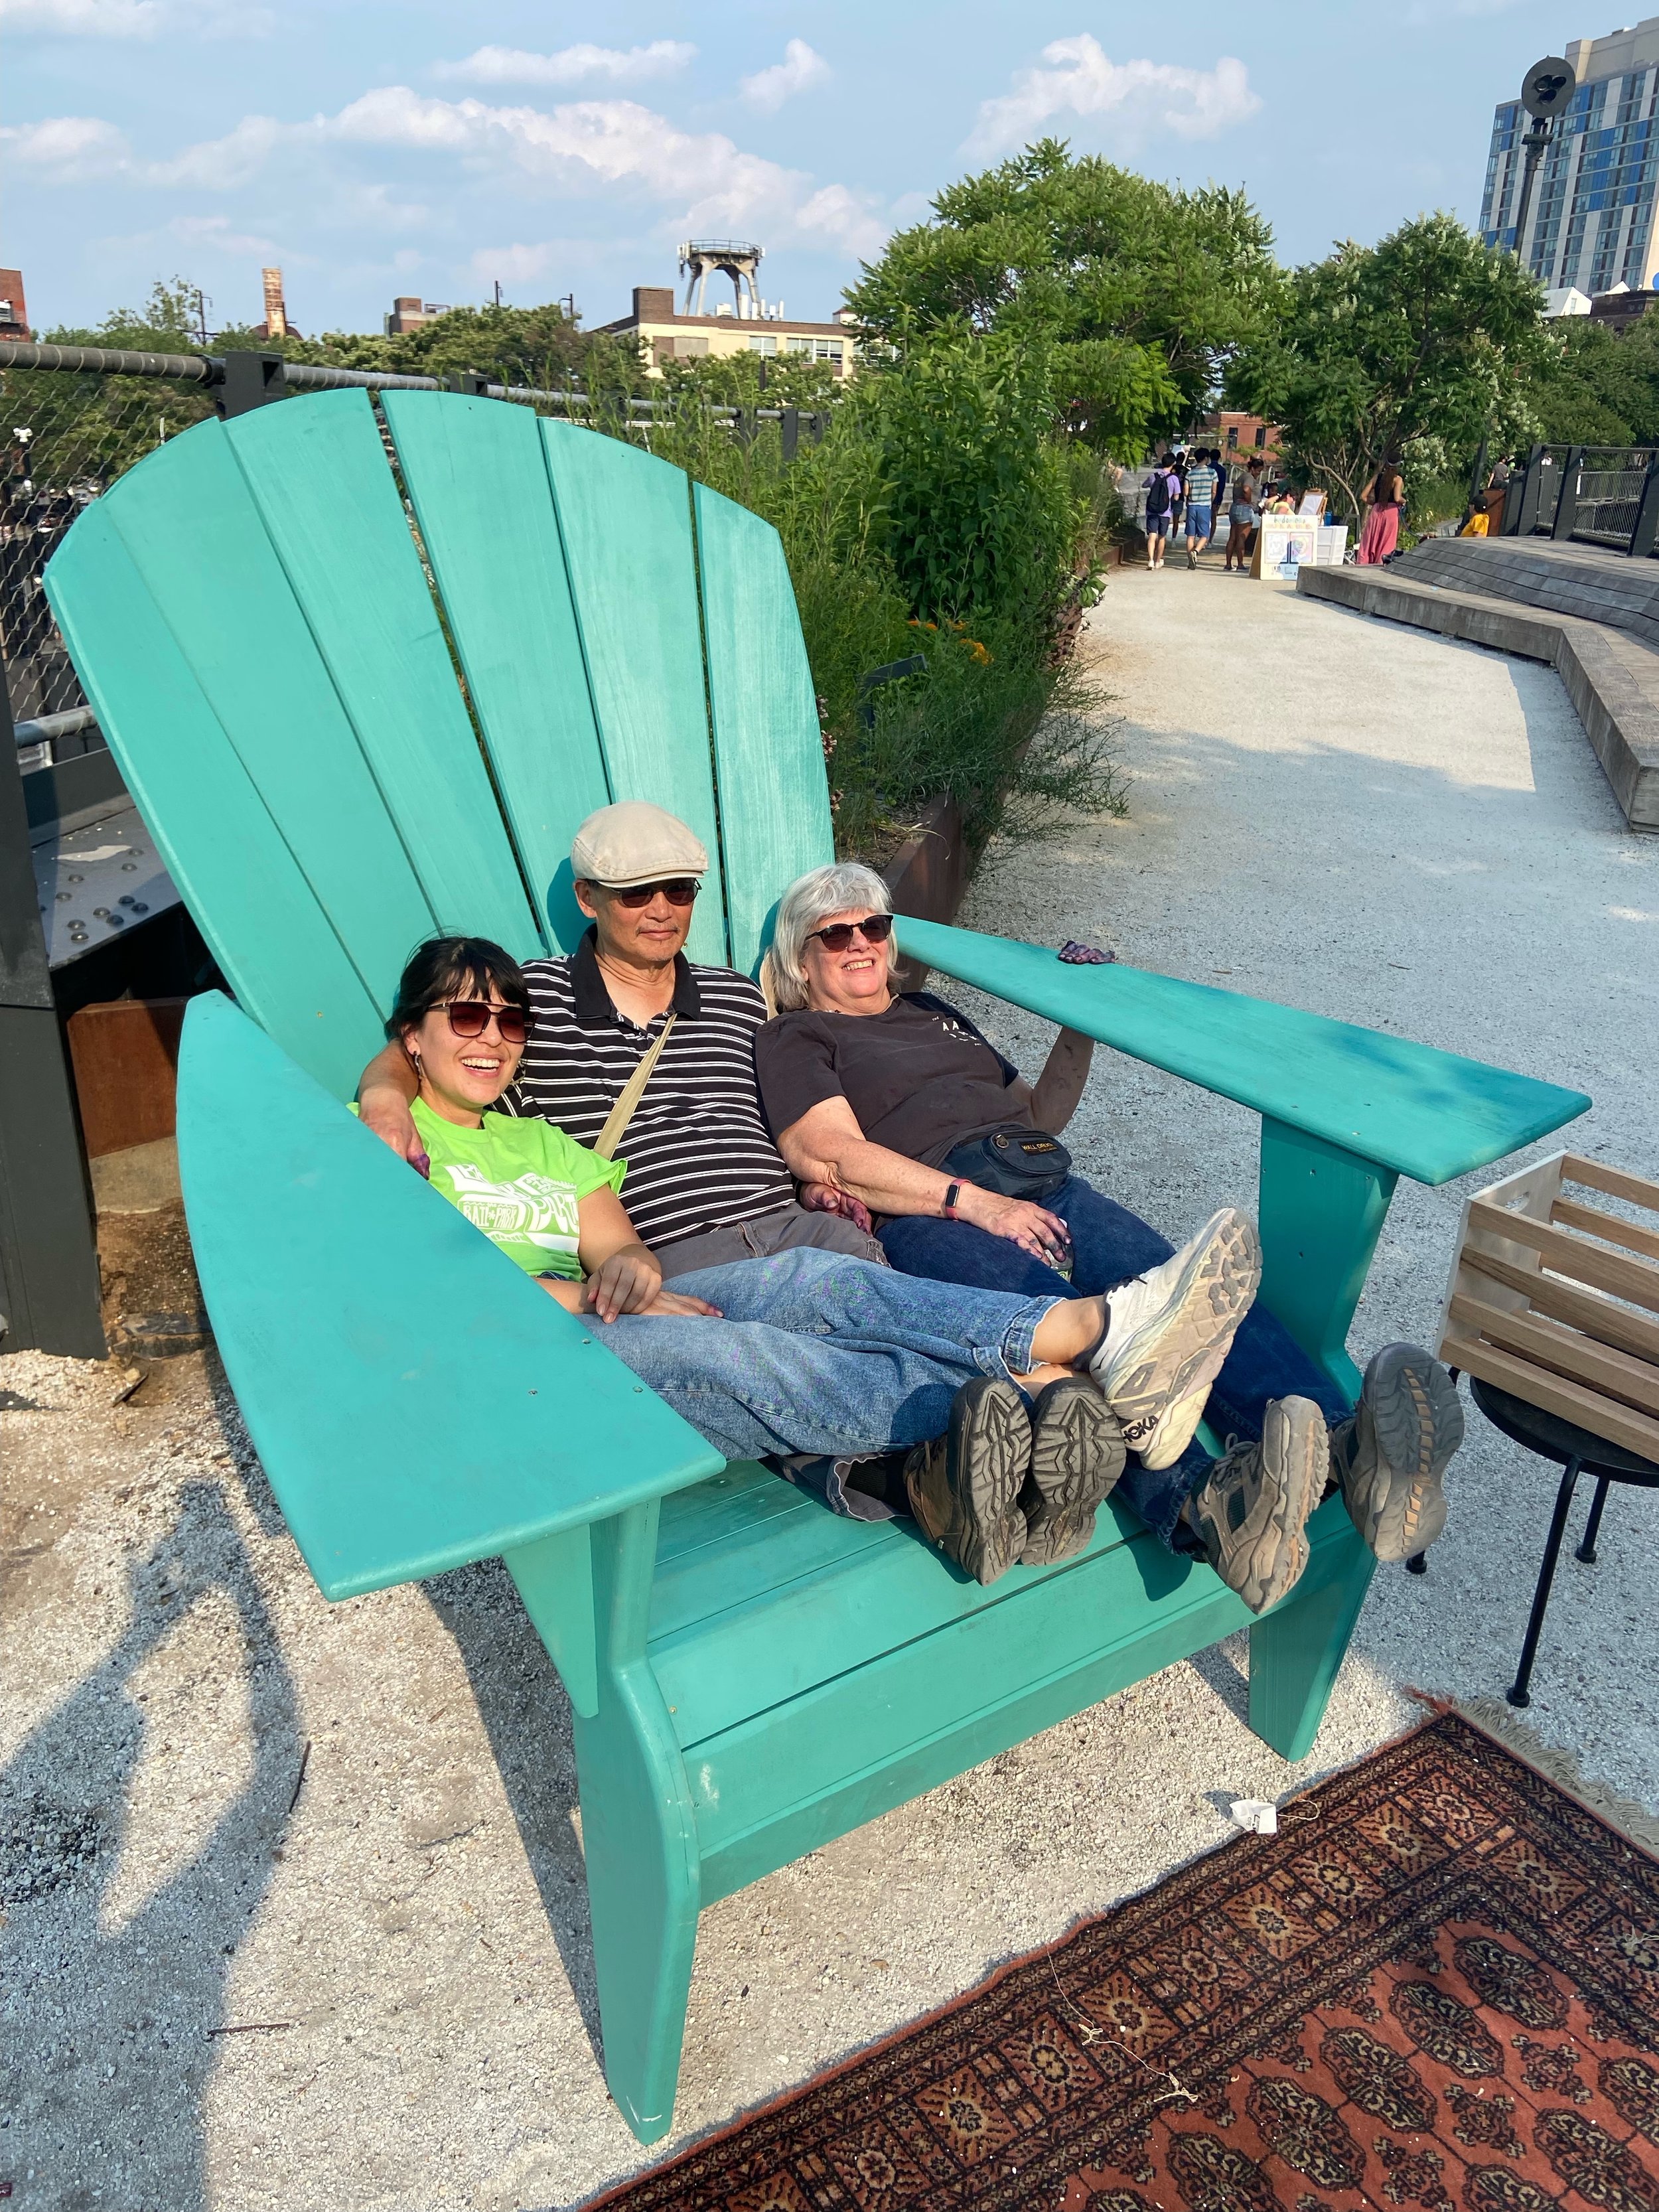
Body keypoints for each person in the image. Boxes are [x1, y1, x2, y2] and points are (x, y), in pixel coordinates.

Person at [364, 932, 1263, 1585]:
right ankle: (1067, 1397)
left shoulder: (546, 1146)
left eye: (510, 1020)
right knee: (735, 1354)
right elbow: (428, 1296)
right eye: (468, 1016)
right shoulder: (383, 1146)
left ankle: (1088, 1330)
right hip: (528, 1371)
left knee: (817, 1280)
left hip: (613, 1316)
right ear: (412, 1035)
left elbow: (620, 1247)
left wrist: (629, 1277)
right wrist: (383, 1095)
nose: (494, 1036)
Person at [754, 863, 1465, 1615]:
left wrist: (1077, 1019)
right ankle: (1207, 1507)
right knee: (1070, 1333)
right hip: (933, 1214)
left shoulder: (931, 1010)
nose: (862, 943)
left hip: (1037, 1180)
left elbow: (1039, 1112)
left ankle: (1354, 1449)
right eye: (837, 934)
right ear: (804, 958)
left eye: (875, 925)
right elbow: (828, 1153)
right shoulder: (798, 1035)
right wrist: (976, 1206)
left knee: (1188, 1300)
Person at [1357, 463, 1404, 565]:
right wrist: (1404, 501)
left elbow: (1363, 496)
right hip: (1391, 513)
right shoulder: (1398, 480)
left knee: (1370, 539)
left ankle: (1364, 561)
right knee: (1387, 540)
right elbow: (1397, 498)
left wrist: (1376, 503)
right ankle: (1382, 561)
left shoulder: (1376, 478)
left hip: (1376, 511)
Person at [1183, 449, 1218, 569]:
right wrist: (1210, 501)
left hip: (1192, 506)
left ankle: (1190, 561)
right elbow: (1214, 491)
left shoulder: (1190, 473)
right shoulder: (1212, 472)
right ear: (1206, 458)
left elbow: (1186, 492)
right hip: (1204, 506)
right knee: (1204, 535)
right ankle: (1196, 551)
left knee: (1190, 535)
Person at [1142, 461, 1176, 569]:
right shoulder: (1173, 478)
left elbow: (1144, 485)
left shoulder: (1153, 476)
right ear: (1172, 464)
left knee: (1152, 536)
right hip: (1165, 512)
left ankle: (1150, 560)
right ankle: (1158, 561)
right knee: (1162, 537)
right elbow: (1176, 496)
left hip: (1152, 510)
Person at [1225, 473, 1260, 572]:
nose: (1259, 473)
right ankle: (1240, 564)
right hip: (1245, 508)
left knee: (1232, 537)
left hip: (1235, 507)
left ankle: (1228, 563)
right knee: (1242, 538)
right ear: (1253, 468)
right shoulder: (1249, 478)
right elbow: (1246, 489)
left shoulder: (1239, 478)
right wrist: (1249, 501)